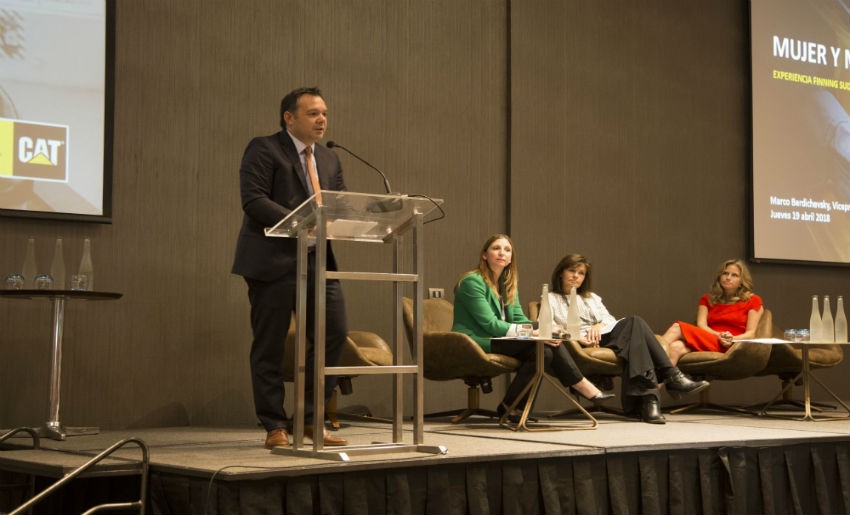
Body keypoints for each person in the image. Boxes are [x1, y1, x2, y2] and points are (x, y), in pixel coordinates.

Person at [232, 87, 348, 449]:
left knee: (334, 334)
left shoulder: (329, 159)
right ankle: (274, 425)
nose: (322, 120)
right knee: (270, 345)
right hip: (273, 261)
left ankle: (310, 419)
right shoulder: (264, 148)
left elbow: (339, 204)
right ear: (289, 117)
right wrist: (302, 223)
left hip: (318, 262)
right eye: (313, 113)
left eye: (325, 113)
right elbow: (253, 200)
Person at [451, 235, 614, 422]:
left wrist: (550, 330)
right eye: (496, 248)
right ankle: (581, 384)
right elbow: (490, 324)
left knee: (545, 351)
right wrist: (532, 333)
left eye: (507, 250)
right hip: (476, 340)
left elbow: (519, 319)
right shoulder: (472, 281)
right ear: (485, 255)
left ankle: (511, 408)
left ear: (511, 258)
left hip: (502, 338)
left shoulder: (506, 284)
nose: (502, 253)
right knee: (541, 345)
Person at [546, 254, 710, 424]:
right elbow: (549, 327)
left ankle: (653, 396)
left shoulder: (592, 298)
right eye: (571, 271)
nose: (576, 276)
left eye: (581, 273)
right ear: (561, 273)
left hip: (604, 335)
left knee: (635, 323)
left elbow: (609, 319)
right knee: (635, 338)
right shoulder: (550, 298)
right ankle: (663, 385)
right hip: (580, 343)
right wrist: (577, 336)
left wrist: (599, 326)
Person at [661, 259, 764, 365]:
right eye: (725, 273)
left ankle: (647, 360)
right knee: (675, 347)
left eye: (734, 275)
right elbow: (701, 325)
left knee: (677, 327)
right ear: (719, 277)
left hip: (732, 345)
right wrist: (718, 335)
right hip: (709, 338)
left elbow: (750, 334)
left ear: (742, 281)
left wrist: (731, 339)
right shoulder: (707, 299)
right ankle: (660, 381)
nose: (728, 278)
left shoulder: (753, 300)